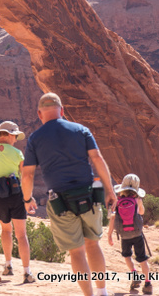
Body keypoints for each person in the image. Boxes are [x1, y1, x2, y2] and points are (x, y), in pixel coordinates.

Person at [21, 93, 116, 296]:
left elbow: (27, 175)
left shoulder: (35, 138)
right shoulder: (81, 130)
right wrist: (109, 190)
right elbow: (97, 158)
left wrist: (27, 199)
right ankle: (103, 293)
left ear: (40, 113)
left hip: (60, 202)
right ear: (62, 110)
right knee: (93, 244)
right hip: (89, 196)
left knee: (77, 251)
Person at [0, 121, 35, 284]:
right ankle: (27, 273)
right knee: (21, 234)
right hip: (16, 196)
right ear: (9, 135)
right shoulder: (17, 153)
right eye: (15, 136)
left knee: (6, 230)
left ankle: (8, 266)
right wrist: (29, 198)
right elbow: (25, 178)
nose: (16, 139)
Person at [108, 174, 152, 295]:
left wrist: (109, 234)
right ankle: (148, 284)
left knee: (127, 256)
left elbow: (112, 218)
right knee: (143, 259)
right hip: (137, 234)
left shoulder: (117, 201)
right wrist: (138, 205)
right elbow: (141, 212)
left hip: (124, 235)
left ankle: (134, 274)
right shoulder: (137, 200)